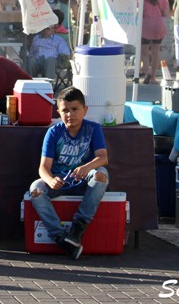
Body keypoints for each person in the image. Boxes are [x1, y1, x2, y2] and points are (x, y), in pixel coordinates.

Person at [27, 86, 109, 260]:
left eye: (75, 109)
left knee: (101, 174)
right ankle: (61, 238)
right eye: (65, 110)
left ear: (84, 110)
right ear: (58, 112)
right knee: (35, 189)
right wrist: (50, 181)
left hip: (84, 180)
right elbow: (43, 167)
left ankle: (77, 229)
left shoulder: (93, 128)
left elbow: (103, 158)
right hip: (60, 181)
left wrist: (87, 167)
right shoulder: (53, 132)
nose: (70, 114)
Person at [141, 0, 170, 84]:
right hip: (158, 25)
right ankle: (152, 77)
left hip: (146, 25)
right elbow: (166, 13)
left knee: (144, 51)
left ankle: (147, 71)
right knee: (155, 51)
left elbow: (140, 13)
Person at [28, 11, 71, 78]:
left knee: (50, 60)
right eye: (43, 29)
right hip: (37, 61)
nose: (45, 31)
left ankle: (49, 84)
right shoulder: (36, 38)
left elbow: (66, 54)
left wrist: (62, 58)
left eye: (47, 29)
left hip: (52, 62)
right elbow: (31, 52)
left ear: (53, 29)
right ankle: (31, 82)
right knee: (31, 60)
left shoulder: (58, 39)